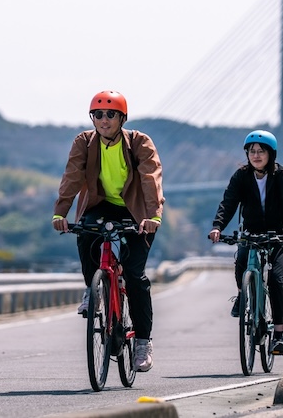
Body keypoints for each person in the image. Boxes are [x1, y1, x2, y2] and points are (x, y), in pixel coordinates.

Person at [52, 90, 165, 373]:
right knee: (85, 233)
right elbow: (72, 175)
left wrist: (153, 216)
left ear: (122, 118)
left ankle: (142, 343)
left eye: (110, 114)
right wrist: (61, 211)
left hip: (136, 211)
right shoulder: (84, 142)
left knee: (135, 277)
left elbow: (151, 178)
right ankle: (93, 290)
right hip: (100, 205)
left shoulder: (139, 143)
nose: (103, 120)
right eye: (98, 115)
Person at [208, 129, 283, 355]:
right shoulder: (241, 176)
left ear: (271, 155)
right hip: (251, 232)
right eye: (252, 151)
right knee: (241, 263)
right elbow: (228, 202)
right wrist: (217, 226)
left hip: (277, 235)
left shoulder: (281, 175)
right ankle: (243, 294)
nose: (256, 155)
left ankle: (278, 334)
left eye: (261, 151)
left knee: (276, 280)